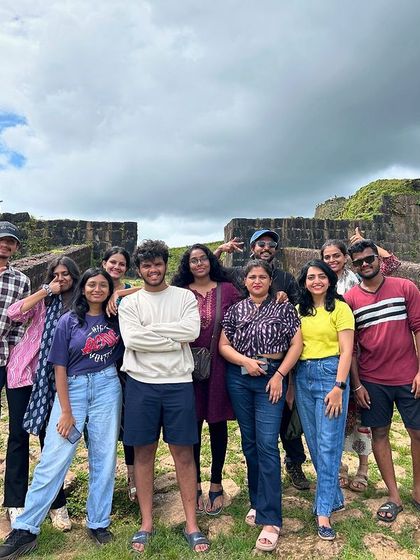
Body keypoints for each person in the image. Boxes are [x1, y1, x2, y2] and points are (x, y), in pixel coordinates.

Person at [0, 268, 123, 559]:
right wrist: (66, 411)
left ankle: (98, 522)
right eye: (91, 284)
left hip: (107, 386)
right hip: (74, 388)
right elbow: (59, 367)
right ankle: (26, 528)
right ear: (83, 288)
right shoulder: (68, 321)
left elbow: (147, 290)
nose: (96, 289)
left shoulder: (116, 318)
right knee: (53, 458)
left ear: (108, 289)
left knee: (104, 457)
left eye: (103, 285)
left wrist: (120, 292)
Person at [118, 240, 210, 553]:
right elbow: (132, 339)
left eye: (157, 264)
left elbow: (192, 332)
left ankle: (192, 524)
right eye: (146, 266)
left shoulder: (184, 297)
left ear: (165, 265)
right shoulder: (130, 304)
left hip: (178, 383)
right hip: (141, 383)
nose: (153, 270)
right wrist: (172, 337)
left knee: (184, 454)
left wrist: (154, 334)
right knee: (144, 453)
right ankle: (146, 523)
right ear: (138, 269)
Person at [216, 229, 309, 491]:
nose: (266, 247)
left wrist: (284, 298)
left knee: (278, 428)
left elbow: (300, 307)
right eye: (261, 244)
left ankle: (293, 465)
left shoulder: (286, 280)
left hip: (277, 369)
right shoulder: (237, 281)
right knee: (253, 437)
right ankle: (258, 491)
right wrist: (221, 251)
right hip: (244, 370)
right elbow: (209, 270)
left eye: (271, 244)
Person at [220, 260, 302, 552]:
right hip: (240, 378)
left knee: (268, 444)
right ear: (245, 281)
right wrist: (245, 361)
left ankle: (271, 519)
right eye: (252, 277)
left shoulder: (283, 308)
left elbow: (296, 345)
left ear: (270, 281)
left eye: (262, 277)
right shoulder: (236, 309)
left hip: (272, 378)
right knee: (250, 442)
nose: (257, 281)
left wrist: (280, 374)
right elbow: (224, 345)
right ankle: (257, 500)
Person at [345, 239, 420, 523]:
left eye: (369, 259)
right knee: (379, 434)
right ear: (354, 266)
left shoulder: (404, 288)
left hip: (407, 376)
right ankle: (393, 495)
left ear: (379, 258)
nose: (365, 265)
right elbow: (351, 347)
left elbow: (418, 328)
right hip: (373, 379)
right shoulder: (351, 299)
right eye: (359, 262)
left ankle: (417, 490)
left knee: (417, 433)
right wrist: (357, 384)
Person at [321, 235, 401, 492]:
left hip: (358, 355)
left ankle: (363, 467)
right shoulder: (319, 280)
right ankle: (340, 466)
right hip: (329, 356)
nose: (332, 260)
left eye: (337, 255)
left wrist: (367, 242)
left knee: (362, 418)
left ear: (346, 258)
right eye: (327, 256)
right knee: (336, 417)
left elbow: (393, 263)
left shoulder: (357, 280)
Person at [4, 256, 79, 529]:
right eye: (56, 274)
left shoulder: (78, 307)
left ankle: (55, 502)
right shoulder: (44, 301)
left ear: (74, 276)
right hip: (23, 373)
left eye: (66, 274)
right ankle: (15, 502)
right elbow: (14, 313)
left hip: (54, 378)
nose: (61, 278)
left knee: (52, 443)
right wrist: (46, 290)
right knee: (18, 437)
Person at [172, 244, 240, 515]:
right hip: (185, 366)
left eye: (203, 259)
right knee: (193, 427)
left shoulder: (228, 290)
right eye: (193, 260)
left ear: (211, 261)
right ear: (187, 266)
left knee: (217, 423)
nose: (199, 264)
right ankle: (196, 483)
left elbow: (245, 313)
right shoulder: (178, 293)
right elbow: (150, 293)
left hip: (219, 363)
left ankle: (216, 482)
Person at [295, 259, 354, 541]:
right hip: (304, 376)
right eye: (310, 277)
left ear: (330, 280)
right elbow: (295, 348)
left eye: (321, 276)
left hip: (331, 374)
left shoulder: (340, 308)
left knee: (329, 443)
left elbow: (346, 351)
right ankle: (335, 495)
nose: (316, 281)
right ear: (304, 282)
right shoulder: (299, 310)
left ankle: (323, 511)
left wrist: (340, 386)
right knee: (315, 440)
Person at [101, 246, 137, 501]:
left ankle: (133, 477)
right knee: (103, 426)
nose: (116, 267)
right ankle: (104, 478)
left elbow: (152, 288)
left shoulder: (130, 292)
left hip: (126, 362)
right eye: (112, 262)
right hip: (100, 364)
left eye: (121, 264)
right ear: (104, 264)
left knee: (130, 422)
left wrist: (121, 292)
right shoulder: (95, 285)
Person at [0, 222, 30, 414]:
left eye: (10, 241)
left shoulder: (21, 281)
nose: (5, 244)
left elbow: (20, 321)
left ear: (16, 247)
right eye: (1, 239)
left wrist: (13, 350)